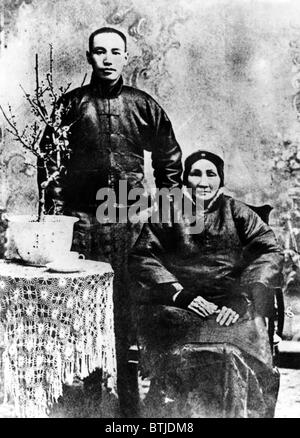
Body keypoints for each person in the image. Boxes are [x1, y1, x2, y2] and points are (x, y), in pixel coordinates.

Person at [37, 27, 182, 417]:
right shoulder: (70, 105)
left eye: (114, 52)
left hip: (130, 219)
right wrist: (56, 219)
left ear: (125, 57)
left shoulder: (142, 105)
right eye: (99, 52)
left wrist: (165, 220)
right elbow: (48, 164)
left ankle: (132, 402)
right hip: (82, 220)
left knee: (129, 305)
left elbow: (169, 160)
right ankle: (87, 396)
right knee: (85, 307)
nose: (107, 59)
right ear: (89, 57)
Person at [129, 147, 283, 418]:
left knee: (232, 352)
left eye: (210, 174)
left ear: (221, 181)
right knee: (181, 357)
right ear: (186, 179)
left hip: (232, 307)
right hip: (179, 307)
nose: (203, 181)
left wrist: (241, 298)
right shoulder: (168, 212)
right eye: (196, 174)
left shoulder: (240, 213)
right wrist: (180, 295)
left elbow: (269, 252)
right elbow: (142, 256)